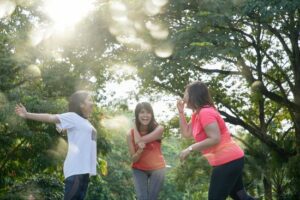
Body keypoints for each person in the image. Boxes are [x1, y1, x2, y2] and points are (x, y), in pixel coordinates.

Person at [177, 81, 255, 200]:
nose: (183, 98)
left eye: (185, 94)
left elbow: (215, 138)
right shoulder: (197, 114)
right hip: (229, 160)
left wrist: (190, 148)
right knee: (241, 197)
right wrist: (181, 112)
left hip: (228, 161)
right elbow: (186, 133)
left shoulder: (205, 112)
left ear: (194, 95)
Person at [15, 90, 97, 200]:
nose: (93, 103)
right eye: (90, 100)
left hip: (84, 173)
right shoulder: (73, 117)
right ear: (81, 104)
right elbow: (50, 117)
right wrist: (27, 114)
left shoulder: (85, 122)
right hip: (76, 170)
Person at [127, 102, 166, 200]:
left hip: (157, 168)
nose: (145, 115)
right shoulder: (129, 134)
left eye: (148, 112)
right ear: (137, 115)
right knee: (142, 198)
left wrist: (134, 125)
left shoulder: (159, 129)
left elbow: (139, 141)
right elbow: (134, 159)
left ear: (152, 114)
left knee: (152, 198)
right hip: (139, 168)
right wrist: (139, 151)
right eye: (142, 112)